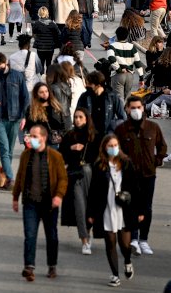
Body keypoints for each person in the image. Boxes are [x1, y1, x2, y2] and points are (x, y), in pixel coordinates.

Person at [12, 122, 67, 282]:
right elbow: (20, 176)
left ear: (44, 138)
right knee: (30, 235)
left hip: (49, 203)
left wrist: (59, 195)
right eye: (30, 136)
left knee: (52, 236)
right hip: (30, 202)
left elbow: (63, 179)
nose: (30, 139)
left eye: (34, 136)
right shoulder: (26, 155)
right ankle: (29, 267)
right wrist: (15, 197)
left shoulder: (55, 157)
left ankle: (52, 265)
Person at [87, 133, 143, 287]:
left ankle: (127, 260)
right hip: (106, 208)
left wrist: (140, 211)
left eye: (115, 145)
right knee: (110, 242)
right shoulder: (99, 166)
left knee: (124, 244)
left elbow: (136, 189)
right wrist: (90, 214)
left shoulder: (126, 163)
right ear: (104, 148)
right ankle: (114, 274)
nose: (113, 148)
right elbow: (93, 191)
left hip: (124, 209)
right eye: (110, 146)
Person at [114, 94, 166, 256]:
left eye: (138, 107)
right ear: (127, 109)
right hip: (129, 176)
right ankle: (134, 238)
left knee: (147, 208)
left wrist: (156, 161)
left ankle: (144, 239)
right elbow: (116, 149)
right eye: (133, 108)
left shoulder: (152, 127)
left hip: (148, 174)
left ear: (143, 108)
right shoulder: (121, 129)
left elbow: (162, 146)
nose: (136, 110)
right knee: (132, 207)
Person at [0, 50, 29, 190]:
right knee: (4, 149)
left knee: (9, 150)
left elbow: (25, 98)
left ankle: (4, 179)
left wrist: (23, 117)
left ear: (6, 63)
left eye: (1, 65)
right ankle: (10, 178)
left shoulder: (17, 76)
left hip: (14, 117)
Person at [60, 107, 96, 255]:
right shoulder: (69, 135)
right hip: (75, 175)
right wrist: (71, 148)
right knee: (80, 208)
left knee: (90, 208)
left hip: (91, 175)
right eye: (75, 117)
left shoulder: (94, 136)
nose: (77, 120)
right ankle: (84, 240)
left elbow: (98, 157)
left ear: (86, 119)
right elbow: (61, 155)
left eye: (81, 117)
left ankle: (88, 233)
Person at [77, 71, 126, 135]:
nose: (87, 86)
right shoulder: (85, 96)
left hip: (106, 134)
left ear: (98, 85)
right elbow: (78, 112)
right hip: (90, 134)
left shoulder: (112, 97)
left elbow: (122, 118)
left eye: (90, 84)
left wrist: (112, 126)